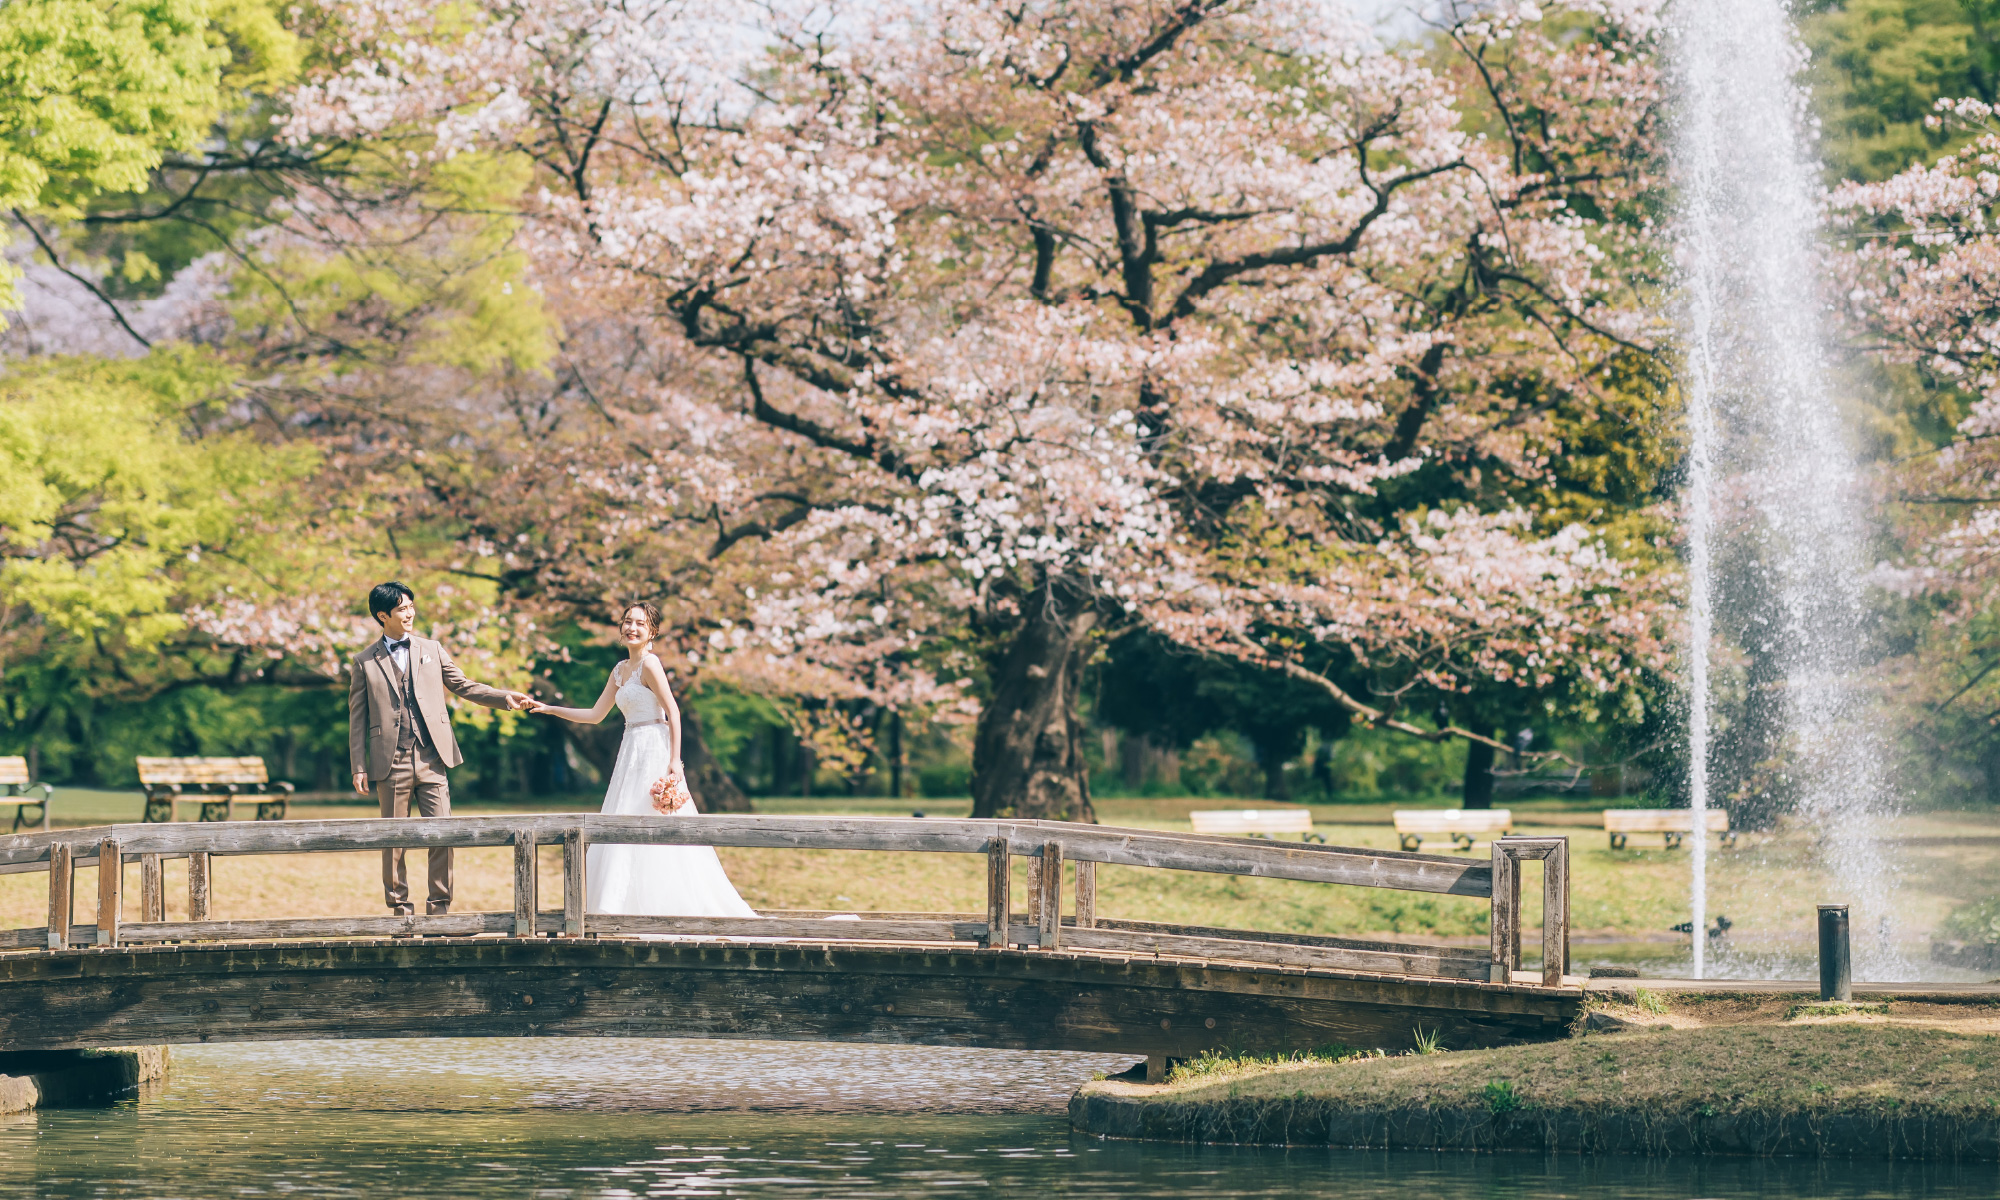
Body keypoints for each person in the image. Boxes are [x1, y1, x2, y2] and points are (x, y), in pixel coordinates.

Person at [525, 602, 759, 920]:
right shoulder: (620, 670)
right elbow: (595, 715)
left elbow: (673, 712)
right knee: (623, 817)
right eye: (627, 621)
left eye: (639, 623)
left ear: (652, 632)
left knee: (656, 821)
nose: (631, 627)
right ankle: (619, 907)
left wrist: (675, 762)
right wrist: (550, 708)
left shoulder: (650, 664)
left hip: (654, 748)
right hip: (630, 749)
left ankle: (666, 906)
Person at [348, 581, 531, 917]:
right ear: (382, 615)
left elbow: (464, 685)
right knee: (393, 839)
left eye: (411, 606)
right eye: (402, 608)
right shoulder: (364, 661)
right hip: (391, 761)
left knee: (443, 832)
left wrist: (503, 697)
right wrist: (358, 765)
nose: (410, 613)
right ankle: (400, 908)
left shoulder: (431, 648)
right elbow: (357, 717)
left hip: (433, 758)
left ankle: (439, 907)